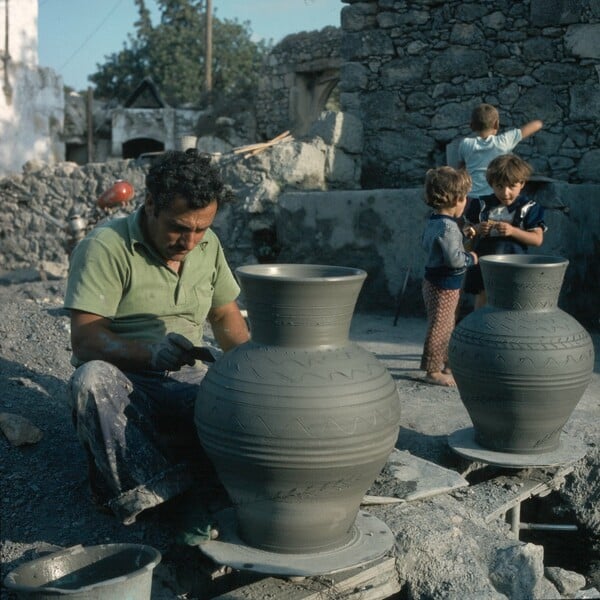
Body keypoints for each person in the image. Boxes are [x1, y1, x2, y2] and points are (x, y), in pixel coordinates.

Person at [64, 149, 250, 527]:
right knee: (92, 382)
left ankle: (198, 483)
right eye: (180, 227)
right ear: (150, 205)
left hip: (189, 381)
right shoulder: (105, 246)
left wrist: (251, 371)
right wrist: (151, 354)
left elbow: (223, 313)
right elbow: (85, 339)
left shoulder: (208, 245)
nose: (190, 241)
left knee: (252, 402)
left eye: (201, 228)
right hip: (130, 382)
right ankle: (157, 498)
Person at [463, 154, 547, 308]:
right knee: (484, 297)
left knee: (513, 301)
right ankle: (481, 330)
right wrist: (476, 229)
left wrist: (512, 231)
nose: (505, 192)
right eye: (499, 186)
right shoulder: (481, 204)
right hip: (485, 263)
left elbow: (537, 239)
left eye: (511, 186)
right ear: (491, 184)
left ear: (521, 183)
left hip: (515, 265)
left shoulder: (529, 207)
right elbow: (466, 231)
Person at [420, 167, 478, 387]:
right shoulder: (449, 228)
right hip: (444, 284)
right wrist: (470, 258)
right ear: (457, 199)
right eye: (464, 198)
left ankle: (446, 362)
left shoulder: (434, 220)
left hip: (433, 280)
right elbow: (454, 260)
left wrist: (461, 235)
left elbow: (430, 244)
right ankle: (433, 371)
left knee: (444, 323)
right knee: (441, 326)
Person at [458, 103, 543, 197]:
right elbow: (537, 124)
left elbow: (461, 168)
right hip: (497, 195)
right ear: (496, 124)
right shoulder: (504, 141)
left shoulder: (465, 144)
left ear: (471, 125)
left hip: (472, 196)